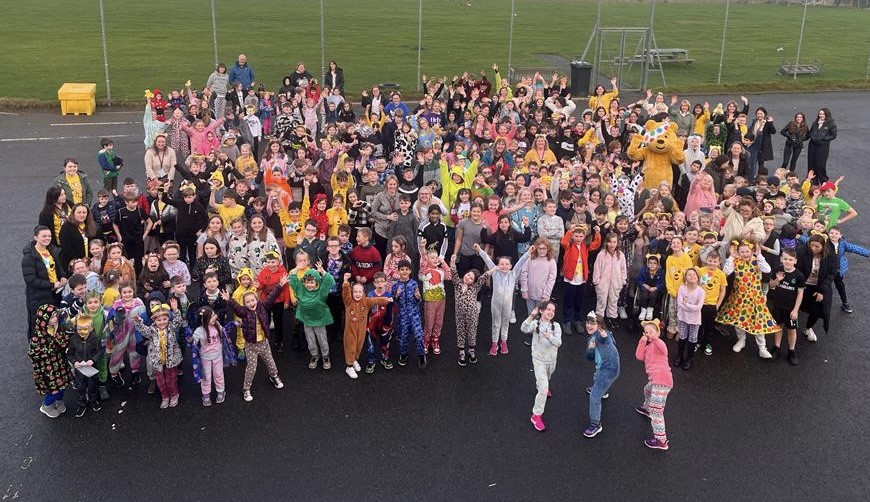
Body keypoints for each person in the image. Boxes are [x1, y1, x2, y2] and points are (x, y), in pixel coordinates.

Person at [223, 274, 287, 402]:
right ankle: (246, 388)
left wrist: (280, 285)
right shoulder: (244, 312)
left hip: (264, 343)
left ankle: (273, 376)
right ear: (245, 304)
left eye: (253, 300)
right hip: (251, 346)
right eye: (248, 302)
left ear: (257, 299)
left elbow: (272, 296)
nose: (251, 303)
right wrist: (229, 299)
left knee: (271, 363)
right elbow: (236, 307)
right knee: (251, 368)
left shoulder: (262, 306)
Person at [716, 240, 779, 358]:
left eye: (747, 251)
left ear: (752, 251)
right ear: (738, 252)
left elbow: (767, 270)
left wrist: (759, 255)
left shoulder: (757, 261)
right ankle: (741, 340)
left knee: (759, 322)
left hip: (756, 298)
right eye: (742, 251)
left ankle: (762, 347)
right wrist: (731, 257)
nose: (745, 254)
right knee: (739, 321)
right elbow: (726, 272)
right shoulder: (735, 261)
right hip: (739, 298)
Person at [476, 243, 531, 356]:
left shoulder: (513, 274)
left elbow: (520, 263)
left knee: (505, 322)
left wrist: (528, 253)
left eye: (507, 264)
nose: (504, 266)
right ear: (498, 265)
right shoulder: (495, 273)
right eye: (502, 264)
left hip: (507, 305)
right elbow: (487, 260)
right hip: (495, 304)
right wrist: (480, 250)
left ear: (511, 266)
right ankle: (495, 343)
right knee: (496, 323)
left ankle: (504, 341)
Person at [132, 300, 183, 408]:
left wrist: (175, 310)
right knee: (160, 381)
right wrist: (138, 321)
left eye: (165, 319)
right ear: (154, 320)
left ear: (168, 318)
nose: (162, 322)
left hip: (171, 360)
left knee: (171, 379)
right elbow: (143, 330)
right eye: (159, 320)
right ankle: (165, 396)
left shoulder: (171, 327)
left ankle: (174, 394)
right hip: (157, 360)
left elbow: (178, 321)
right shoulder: (152, 330)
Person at [523, 300, 562, 432]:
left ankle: (541, 386)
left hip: (551, 360)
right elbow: (523, 328)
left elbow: (558, 343)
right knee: (544, 387)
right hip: (538, 360)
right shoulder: (535, 324)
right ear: (541, 310)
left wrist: (549, 337)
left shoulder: (556, 326)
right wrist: (531, 316)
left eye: (553, 310)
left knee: (548, 377)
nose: (550, 312)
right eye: (548, 309)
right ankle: (536, 415)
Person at [288, 261, 336, 371]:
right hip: (307, 320)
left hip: (319, 320)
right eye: (307, 282)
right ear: (304, 283)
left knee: (322, 339)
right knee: (310, 340)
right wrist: (297, 268)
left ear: (317, 282)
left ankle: (325, 356)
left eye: (312, 282)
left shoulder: (321, 291)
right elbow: (292, 279)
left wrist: (322, 271)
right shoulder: (301, 290)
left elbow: (330, 281)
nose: (309, 285)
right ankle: (314, 356)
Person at [634, 319, 673, 451]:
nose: (648, 334)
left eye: (651, 332)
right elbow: (639, 356)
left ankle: (661, 440)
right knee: (647, 389)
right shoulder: (648, 346)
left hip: (661, 380)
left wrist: (655, 338)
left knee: (657, 412)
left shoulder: (659, 344)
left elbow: (663, 348)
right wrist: (643, 340)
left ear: (657, 332)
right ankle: (647, 408)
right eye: (646, 332)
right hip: (656, 381)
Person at [28, 304, 73, 418]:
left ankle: (59, 401)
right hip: (48, 369)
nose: (55, 319)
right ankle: (47, 405)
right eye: (52, 317)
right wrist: (50, 350)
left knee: (62, 386)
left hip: (60, 365)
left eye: (55, 316)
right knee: (53, 389)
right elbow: (33, 353)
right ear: (44, 320)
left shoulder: (57, 329)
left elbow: (64, 341)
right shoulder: (37, 337)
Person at [23, 226, 67, 336]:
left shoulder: (51, 251)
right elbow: (31, 280)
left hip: (54, 293)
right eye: (44, 236)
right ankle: (37, 350)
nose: (47, 238)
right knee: (39, 324)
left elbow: (57, 267)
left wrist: (62, 276)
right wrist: (52, 284)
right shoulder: (29, 257)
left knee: (54, 322)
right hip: (38, 297)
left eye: (49, 236)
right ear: (35, 237)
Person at [583, 311, 620, 438]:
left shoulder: (602, 335)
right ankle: (603, 391)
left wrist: (602, 333)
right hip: (603, 368)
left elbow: (605, 338)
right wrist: (590, 348)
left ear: (600, 326)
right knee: (597, 378)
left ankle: (596, 424)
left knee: (594, 396)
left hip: (608, 369)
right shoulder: (591, 338)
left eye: (592, 323)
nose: (589, 325)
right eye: (588, 322)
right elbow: (589, 357)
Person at [767, 248, 805, 366]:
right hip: (778, 306)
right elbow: (771, 285)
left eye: (790, 259)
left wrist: (795, 310)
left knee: (791, 330)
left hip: (791, 309)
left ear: (795, 261)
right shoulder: (777, 271)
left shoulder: (799, 275)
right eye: (785, 259)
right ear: (781, 259)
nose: (787, 262)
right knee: (778, 327)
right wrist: (777, 280)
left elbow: (800, 294)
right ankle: (776, 348)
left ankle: (791, 351)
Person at [797, 234, 837, 342]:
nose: (813, 249)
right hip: (803, 284)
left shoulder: (830, 255)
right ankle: (791, 325)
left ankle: (808, 327)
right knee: (794, 304)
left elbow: (832, 273)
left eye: (817, 247)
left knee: (817, 309)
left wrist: (822, 290)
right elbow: (797, 268)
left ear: (823, 246)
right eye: (812, 245)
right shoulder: (801, 251)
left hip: (820, 286)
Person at [450, 254, 488, 366]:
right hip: (459, 315)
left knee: (472, 332)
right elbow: (454, 273)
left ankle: (471, 350)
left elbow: (483, 277)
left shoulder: (475, 287)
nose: (468, 278)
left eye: (472, 278)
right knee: (460, 332)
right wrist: (452, 263)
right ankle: (461, 352)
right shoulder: (458, 284)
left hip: (472, 315)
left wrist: (493, 269)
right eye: (468, 275)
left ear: (474, 281)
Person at [191, 306, 231, 406]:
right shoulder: (199, 331)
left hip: (217, 356)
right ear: (203, 320)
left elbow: (224, 332)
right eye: (212, 316)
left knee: (219, 374)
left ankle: (220, 391)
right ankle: (206, 394)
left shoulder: (217, 325)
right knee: (206, 377)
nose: (215, 317)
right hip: (205, 358)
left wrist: (232, 325)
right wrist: (189, 338)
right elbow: (193, 343)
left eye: (214, 315)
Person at [418, 241, 452, 355]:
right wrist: (423, 248)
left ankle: (435, 339)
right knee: (429, 322)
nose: (435, 259)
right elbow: (423, 259)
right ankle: (426, 340)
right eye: (432, 258)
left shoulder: (441, 271)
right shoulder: (424, 270)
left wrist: (443, 262)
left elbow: (449, 276)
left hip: (441, 300)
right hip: (430, 301)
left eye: (436, 257)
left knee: (439, 322)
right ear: (427, 259)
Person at [67, 314, 105, 417]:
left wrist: (93, 360)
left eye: (85, 329)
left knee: (93, 385)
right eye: (79, 329)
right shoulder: (74, 339)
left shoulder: (95, 339)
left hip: (91, 368)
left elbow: (100, 350)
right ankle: (82, 403)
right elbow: (69, 354)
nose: (81, 331)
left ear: (91, 328)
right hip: (80, 369)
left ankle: (93, 401)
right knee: (81, 387)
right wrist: (74, 362)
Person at [827, 226, 869, 314]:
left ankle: (845, 302)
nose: (833, 235)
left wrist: (868, 254)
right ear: (828, 234)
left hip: (838, 270)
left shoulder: (843, 244)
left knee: (840, 286)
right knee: (825, 286)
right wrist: (800, 237)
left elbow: (855, 248)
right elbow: (810, 240)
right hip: (827, 269)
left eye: (836, 233)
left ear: (840, 235)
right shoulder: (824, 242)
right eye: (831, 233)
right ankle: (822, 303)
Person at [593, 233, 627, 329]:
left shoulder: (620, 255)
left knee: (613, 300)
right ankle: (599, 317)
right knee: (602, 300)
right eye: (610, 242)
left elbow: (623, 269)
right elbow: (597, 268)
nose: (612, 244)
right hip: (603, 283)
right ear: (606, 243)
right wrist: (596, 281)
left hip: (616, 282)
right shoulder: (601, 254)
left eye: (614, 242)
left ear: (617, 243)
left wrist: (622, 281)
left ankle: (612, 317)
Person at [674, 267, 704, 370]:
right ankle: (680, 356)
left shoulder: (701, 291)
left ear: (697, 277)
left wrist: (686, 304)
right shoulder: (682, 288)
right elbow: (679, 304)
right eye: (689, 274)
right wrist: (690, 307)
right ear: (685, 278)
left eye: (694, 274)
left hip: (695, 320)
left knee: (692, 339)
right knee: (682, 337)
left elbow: (698, 308)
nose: (692, 276)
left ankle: (689, 358)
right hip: (682, 317)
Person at [806, 108, 837, 183]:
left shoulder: (831, 123)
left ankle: (824, 181)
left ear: (827, 114)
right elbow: (810, 133)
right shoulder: (815, 123)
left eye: (823, 114)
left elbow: (833, 135)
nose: (821, 115)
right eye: (820, 114)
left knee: (820, 165)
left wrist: (824, 138)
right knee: (811, 164)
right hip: (812, 146)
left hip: (822, 147)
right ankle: (813, 182)